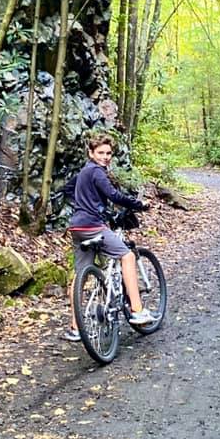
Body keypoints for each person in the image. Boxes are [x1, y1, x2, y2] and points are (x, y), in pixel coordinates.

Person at [62, 133, 153, 341]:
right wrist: (139, 205)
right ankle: (138, 310)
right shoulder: (97, 171)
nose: (105, 157)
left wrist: (86, 205)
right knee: (127, 256)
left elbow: (67, 189)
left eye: (108, 153)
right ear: (91, 153)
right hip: (93, 226)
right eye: (101, 152)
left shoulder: (84, 172)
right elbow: (114, 195)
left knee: (80, 273)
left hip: (76, 228)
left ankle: (76, 328)